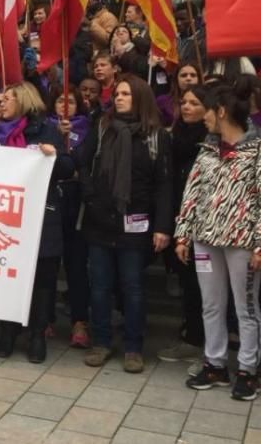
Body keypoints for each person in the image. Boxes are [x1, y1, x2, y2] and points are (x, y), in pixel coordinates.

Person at [80, 74, 172, 373]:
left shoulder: (156, 136)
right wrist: (91, 197)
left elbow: (163, 185)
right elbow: (83, 163)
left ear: (140, 98)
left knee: (133, 287)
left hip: (137, 223)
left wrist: (161, 226)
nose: (118, 98)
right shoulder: (103, 127)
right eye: (117, 93)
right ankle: (101, 342)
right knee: (100, 287)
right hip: (100, 220)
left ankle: (133, 347)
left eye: (125, 94)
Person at [175, 82, 261, 400]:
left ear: (221, 111)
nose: (203, 116)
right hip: (205, 239)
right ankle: (215, 364)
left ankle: (248, 370)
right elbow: (192, 194)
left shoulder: (256, 151)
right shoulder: (207, 150)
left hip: (242, 243)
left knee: (246, 308)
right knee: (211, 305)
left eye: (207, 110)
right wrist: (183, 233)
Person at [0, 82, 72, 363]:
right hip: (4, 219)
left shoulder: (47, 130)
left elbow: (68, 168)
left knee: (43, 280)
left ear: (23, 101)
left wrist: (53, 157)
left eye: (7, 99)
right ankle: (7, 331)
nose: (0, 103)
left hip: (42, 216)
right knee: (8, 275)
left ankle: (36, 334)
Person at [157, 85, 209, 366]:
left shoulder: (212, 140)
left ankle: (200, 340)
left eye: (194, 103)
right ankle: (193, 335)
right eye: (184, 102)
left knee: (203, 288)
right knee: (189, 283)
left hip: (203, 223)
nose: (187, 107)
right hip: (178, 218)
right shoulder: (174, 137)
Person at [48, 85, 92, 348]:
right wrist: (55, 138)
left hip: (77, 205)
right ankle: (47, 318)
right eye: (61, 101)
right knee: (49, 264)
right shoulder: (46, 127)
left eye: (71, 102)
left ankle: (79, 322)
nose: (65, 106)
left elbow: (81, 164)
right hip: (53, 201)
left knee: (76, 266)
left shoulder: (87, 130)